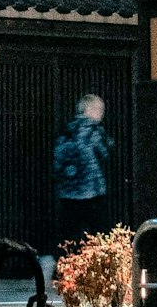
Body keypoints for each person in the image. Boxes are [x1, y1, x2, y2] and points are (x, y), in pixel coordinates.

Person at [50, 93, 117, 251]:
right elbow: (106, 154)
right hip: (93, 194)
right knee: (101, 236)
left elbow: (57, 162)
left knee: (68, 238)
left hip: (68, 195)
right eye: (99, 110)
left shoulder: (66, 131)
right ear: (90, 109)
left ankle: (66, 270)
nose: (101, 114)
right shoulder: (95, 130)